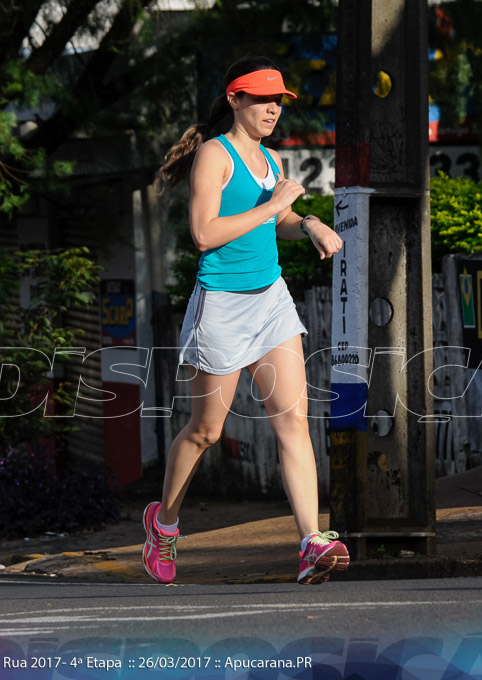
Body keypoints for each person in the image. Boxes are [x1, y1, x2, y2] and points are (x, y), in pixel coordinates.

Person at [143, 56, 348, 585]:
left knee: (293, 423)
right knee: (206, 431)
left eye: (278, 100)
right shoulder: (215, 155)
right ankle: (163, 524)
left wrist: (308, 222)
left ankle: (310, 542)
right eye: (260, 99)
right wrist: (273, 204)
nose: (272, 109)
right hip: (222, 305)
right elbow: (205, 233)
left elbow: (277, 219)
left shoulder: (272, 159)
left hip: (271, 301)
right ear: (235, 100)